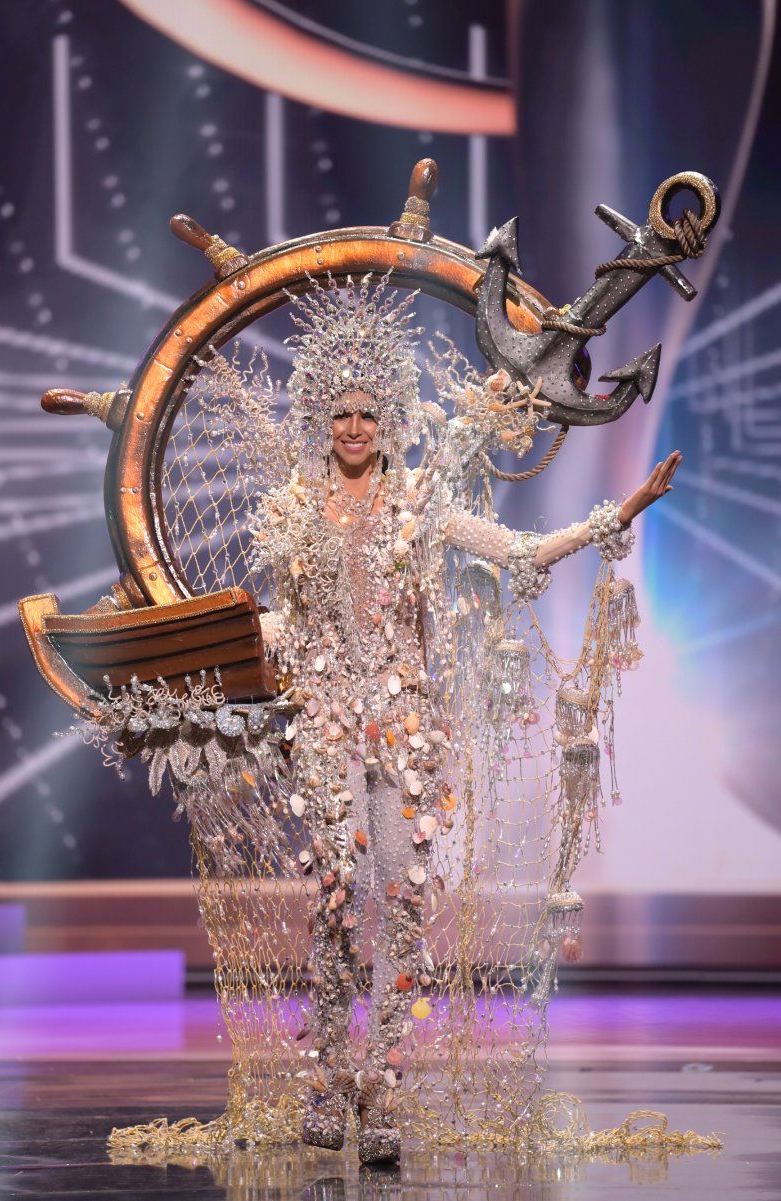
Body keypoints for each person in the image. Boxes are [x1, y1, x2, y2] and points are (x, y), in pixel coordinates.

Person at [250, 276, 680, 1165]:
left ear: (389, 420)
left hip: (403, 729)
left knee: (400, 895)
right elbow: (283, 621)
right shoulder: (293, 512)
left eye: (368, 413)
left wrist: (621, 512)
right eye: (341, 413)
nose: (354, 427)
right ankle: (328, 1079)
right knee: (338, 896)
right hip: (325, 727)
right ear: (322, 421)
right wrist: (221, 638)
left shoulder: (421, 504)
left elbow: (518, 549)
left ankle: (382, 1084)